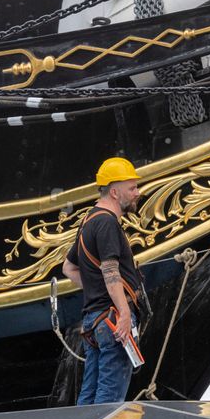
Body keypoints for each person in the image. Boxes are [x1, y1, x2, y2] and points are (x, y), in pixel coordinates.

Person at [61, 157, 146, 405]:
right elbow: (110, 270)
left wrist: (98, 290)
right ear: (114, 191)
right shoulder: (107, 223)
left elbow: (68, 267)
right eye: (132, 188)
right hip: (112, 321)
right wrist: (124, 312)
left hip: (94, 320)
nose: (137, 193)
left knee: (89, 396)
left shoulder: (89, 221)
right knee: (110, 401)